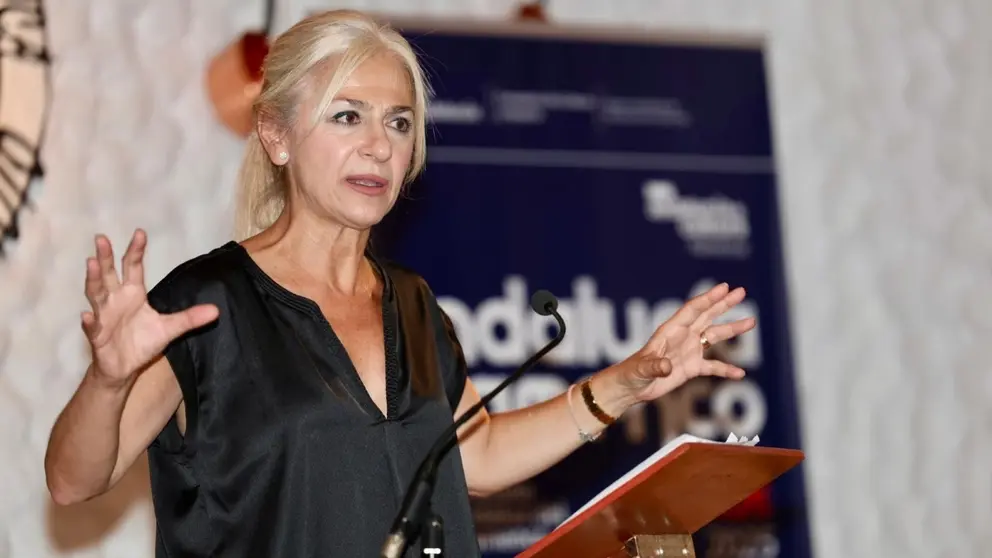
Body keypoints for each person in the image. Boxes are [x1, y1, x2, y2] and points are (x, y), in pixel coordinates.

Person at [43, 9, 756, 558]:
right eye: (347, 116)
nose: (378, 145)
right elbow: (73, 482)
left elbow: (476, 456)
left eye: (399, 122)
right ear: (277, 135)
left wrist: (629, 381)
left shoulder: (412, 303)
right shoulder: (205, 304)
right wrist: (107, 381)